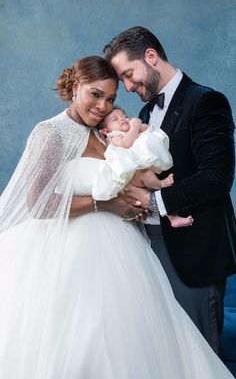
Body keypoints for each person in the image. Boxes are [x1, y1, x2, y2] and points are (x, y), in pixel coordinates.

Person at [0, 55, 234, 379]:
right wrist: (106, 205)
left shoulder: (103, 132)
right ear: (75, 86)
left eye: (110, 98)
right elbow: (38, 203)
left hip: (122, 249)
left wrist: (138, 201)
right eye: (95, 94)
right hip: (69, 253)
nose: (102, 105)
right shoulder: (50, 133)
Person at [103, 26, 236, 356]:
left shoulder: (206, 101)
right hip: (151, 250)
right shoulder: (147, 112)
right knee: (168, 352)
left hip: (194, 251)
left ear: (151, 56)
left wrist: (153, 199)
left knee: (201, 354)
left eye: (129, 75)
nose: (129, 87)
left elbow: (217, 177)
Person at [93, 106, 194, 228]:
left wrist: (141, 126)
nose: (122, 119)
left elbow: (150, 130)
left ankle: (173, 218)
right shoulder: (114, 136)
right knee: (148, 175)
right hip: (132, 176)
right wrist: (135, 127)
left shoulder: (134, 130)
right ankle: (160, 183)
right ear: (105, 131)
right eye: (115, 119)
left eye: (124, 116)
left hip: (141, 173)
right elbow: (126, 143)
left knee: (160, 196)